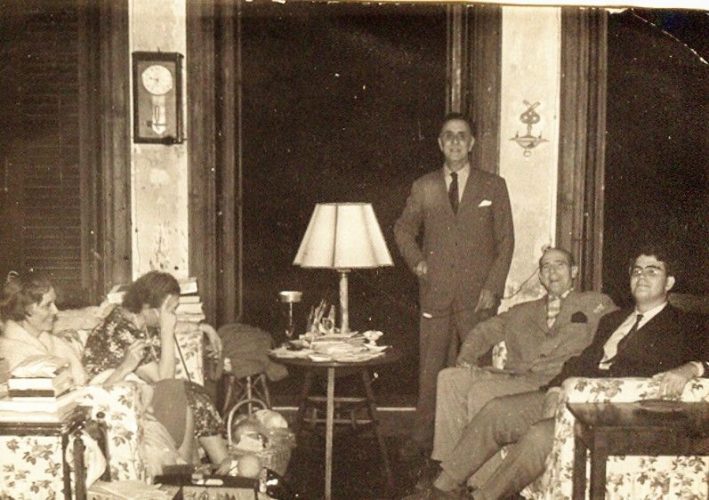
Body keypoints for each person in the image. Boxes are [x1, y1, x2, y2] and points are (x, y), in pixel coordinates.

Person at [413, 245, 708, 499]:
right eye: (637, 271)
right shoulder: (614, 320)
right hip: (570, 396)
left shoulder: (683, 323)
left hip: (609, 414)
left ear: (669, 282)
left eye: (652, 271)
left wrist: (693, 367)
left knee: (539, 437)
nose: (641, 277)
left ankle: (482, 497)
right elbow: (582, 360)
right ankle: (441, 488)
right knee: (496, 410)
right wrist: (555, 388)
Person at [423, 247, 616, 488]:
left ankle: (478, 484)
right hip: (517, 376)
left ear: (574, 271)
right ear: (540, 276)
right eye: (546, 267)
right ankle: (447, 468)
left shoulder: (596, 303)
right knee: (450, 378)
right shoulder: (522, 310)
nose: (552, 272)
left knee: (481, 392)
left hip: (555, 380)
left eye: (559, 265)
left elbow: (619, 333)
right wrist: (467, 357)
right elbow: (484, 330)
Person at [394, 112, 515, 458]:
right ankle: (423, 440)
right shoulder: (425, 186)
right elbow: (403, 229)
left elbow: (506, 241)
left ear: (472, 143)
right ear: (440, 143)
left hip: (478, 298)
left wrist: (493, 287)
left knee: (479, 369)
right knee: (430, 370)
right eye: (449, 135)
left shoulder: (493, 185)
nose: (456, 141)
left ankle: (479, 443)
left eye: (462, 135)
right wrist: (417, 261)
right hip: (436, 292)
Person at [82, 271, 231, 473]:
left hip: (141, 394)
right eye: (170, 310)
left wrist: (204, 328)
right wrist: (167, 331)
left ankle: (219, 467)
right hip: (115, 402)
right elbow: (164, 382)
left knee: (191, 393)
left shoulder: (136, 318)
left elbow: (177, 325)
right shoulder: (120, 332)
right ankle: (219, 466)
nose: (173, 315)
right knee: (185, 394)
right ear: (147, 307)